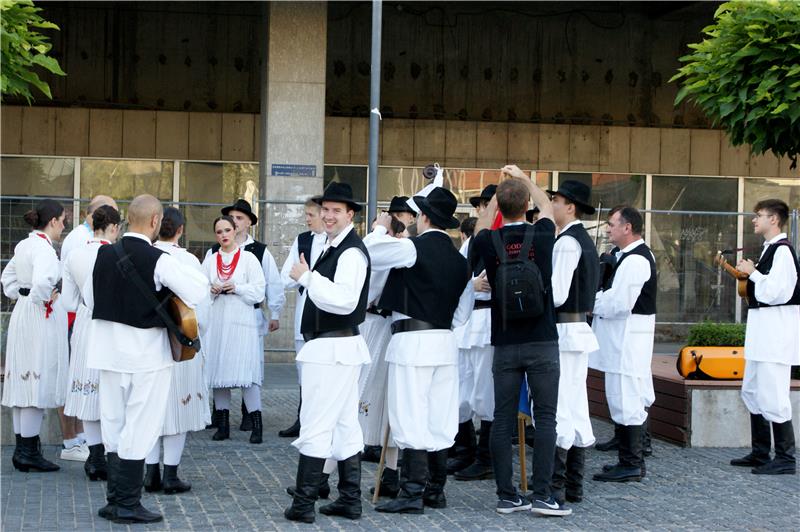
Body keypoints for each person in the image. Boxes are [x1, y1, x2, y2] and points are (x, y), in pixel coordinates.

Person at [85, 194, 208, 524]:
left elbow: (87, 297)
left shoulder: (103, 254)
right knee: (141, 425)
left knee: (112, 422)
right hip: (145, 355)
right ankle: (127, 502)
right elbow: (198, 291)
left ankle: (115, 499)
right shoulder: (160, 259)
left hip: (107, 351)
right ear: (155, 221)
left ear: (128, 218)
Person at [365, 187, 473, 515]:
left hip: (412, 342)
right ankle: (435, 490)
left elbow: (367, 252)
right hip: (444, 343)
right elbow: (461, 315)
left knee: (410, 415)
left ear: (424, 218)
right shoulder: (460, 261)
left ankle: (412, 491)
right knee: (438, 417)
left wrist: (381, 228)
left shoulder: (413, 249)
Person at [470, 166, 568, 516]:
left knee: (501, 418)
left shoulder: (488, 241)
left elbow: (481, 225)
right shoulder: (541, 234)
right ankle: (543, 495)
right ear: (525, 203)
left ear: (498, 203)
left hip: (505, 342)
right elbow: (547, 207)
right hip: (542, 340)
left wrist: (497, 195)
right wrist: (523, 178)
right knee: (546, 418)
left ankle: (506, 495)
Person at [284, 182, 371, 524]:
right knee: (345, 424)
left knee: (317, 423)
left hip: (333, 347)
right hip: (335, 347)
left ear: (350, 214)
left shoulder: (350, 251)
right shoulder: (334, 247)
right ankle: (350, 500)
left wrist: (307, 277)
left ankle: (304, 503)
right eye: (326, 209)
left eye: (337, 210)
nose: (329, 215)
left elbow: (345, 299)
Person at [144, 208, 213, 493]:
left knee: (149, 409)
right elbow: (201, 308)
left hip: (149, 342)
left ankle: (150, 473)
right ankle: (170, 474)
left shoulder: (143, 257)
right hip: (181, 343)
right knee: (179, 407)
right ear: (181, 230)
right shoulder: (187, 260)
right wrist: (198, 336)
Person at [589, 205, 656, 483]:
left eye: (612, 223)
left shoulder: (636, 260)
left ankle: (631, 463)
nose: (607, 228)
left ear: (627, 227)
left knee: (626, 398)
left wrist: (591, 301)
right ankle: (628, 458)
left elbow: (618, 303)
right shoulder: (629, 257)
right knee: (624, 396)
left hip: (627, 339)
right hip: (624, 337)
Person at [731, 199, 799, 475]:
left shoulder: (783, 252)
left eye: (759, 216)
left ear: (774, 219)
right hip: (762, 335)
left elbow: (778, 293)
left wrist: (754, 273)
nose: (754, 220)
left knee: (774, 395)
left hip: (775, 336)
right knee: (753, 391)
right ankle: (761, 452)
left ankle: (785, 458)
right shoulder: (771, 251)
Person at [1, 199, 69, 473]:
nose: (64, 225)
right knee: (35, 380)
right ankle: (27, 451)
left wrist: (24, 295)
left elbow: (7, 281)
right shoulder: (43, 248)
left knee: (24, 379)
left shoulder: (23, 244)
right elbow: (43, 282)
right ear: (52, 221)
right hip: (39, 316)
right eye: (63, 220)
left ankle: (24, 449)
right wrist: (44, 299)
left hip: (23, 313)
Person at [207, 199, 285, 432]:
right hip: (220, 318)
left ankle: (250, 416)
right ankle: (220, 420)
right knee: (221, 366)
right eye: (229, 221)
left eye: (239, 219)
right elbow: (201, 284)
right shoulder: (213, 255)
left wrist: (276, 312)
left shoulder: (257, 251)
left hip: (247, 317)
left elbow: (271, 282)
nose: (233, 225)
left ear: (248, 222)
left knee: (248, 368)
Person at [547, 181, 600, 504]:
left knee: (563, 405)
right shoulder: (579, 239)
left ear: (570, 207)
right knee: (575, 404)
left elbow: (557, 294)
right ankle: (572, 485)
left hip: (566, 332)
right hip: (575, 330)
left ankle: (557, 486)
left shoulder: (568, 242)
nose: (551, 205)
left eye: (556, 200)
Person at [61, 204, 122, 480]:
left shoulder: (75, 253)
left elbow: (68, 301)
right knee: (108, 390)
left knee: (86, 387)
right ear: (113, 227)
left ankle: (95, 456)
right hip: (110, 323)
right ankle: (110, 455)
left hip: (84, 321)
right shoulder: (116, 253)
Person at [203, 216, 266, 444]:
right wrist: (211, 290)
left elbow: (259, 291)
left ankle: (256, 425)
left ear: (235, 230)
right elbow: (201, 291)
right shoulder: (211, 260)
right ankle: (223, 425)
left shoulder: (249, 258)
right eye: (219, 232)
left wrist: (237, 288)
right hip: (218, 322)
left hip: (241, 321)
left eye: (227, 230)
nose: (223, 235)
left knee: (246, 374)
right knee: (220, 373)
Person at [359, 215, 408, 498]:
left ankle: (335, 475)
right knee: (376, 401)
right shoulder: (396, 251)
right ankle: (389, 474)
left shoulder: (386, 251)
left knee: (363, 398)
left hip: (375, 326)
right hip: (375, 326)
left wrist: (380, 228)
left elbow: (369, 248)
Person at [452, 188, 497, 482]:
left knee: (485, 392)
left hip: (490, 318)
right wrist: (471, 283)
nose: (483, 210)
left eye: (488, 205)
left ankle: (486, 456)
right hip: (469, 319)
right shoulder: (474, 243)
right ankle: (465, 448)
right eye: (481, 205)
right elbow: (459, 273)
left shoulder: (503, 238)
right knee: (463, 390)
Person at [279, 197, 326, 438]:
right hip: (303, 310)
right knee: (302, 371)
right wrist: (297, 276)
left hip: (326, 314)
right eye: (306, 214)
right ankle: (302, 418)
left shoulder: (334, 241)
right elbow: (287, 273)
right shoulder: (302, 240)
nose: (307, 219)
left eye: (311, 214)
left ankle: (319, 420)